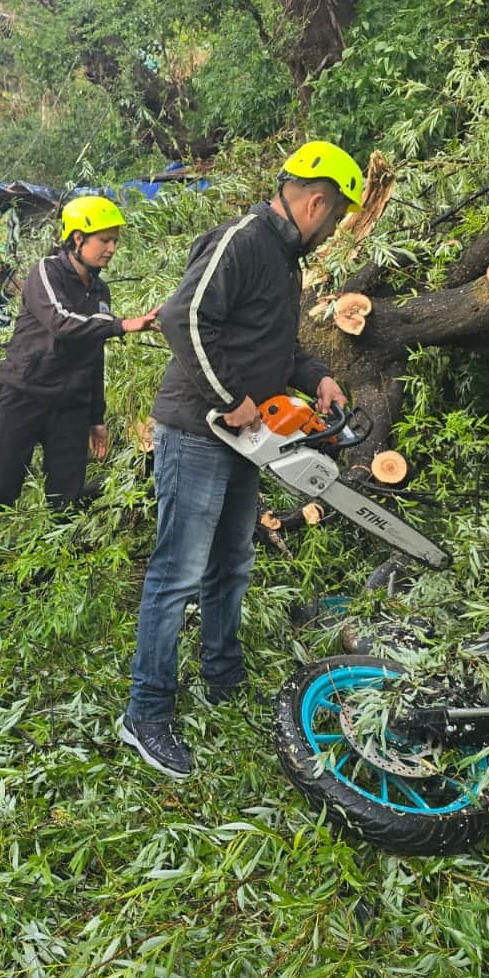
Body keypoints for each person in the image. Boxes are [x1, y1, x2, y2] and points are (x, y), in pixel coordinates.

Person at [120, 142, 362, 778]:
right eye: (334, 217)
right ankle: (146, 712)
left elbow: (268, 341)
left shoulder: (284, 260)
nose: (331, 229)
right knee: (177, 572)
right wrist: (234, 401)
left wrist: (316, 375)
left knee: (232, 560)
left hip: (241, 439)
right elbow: (185, 320)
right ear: (316, 203)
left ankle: (222, 675)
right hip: (199, 430)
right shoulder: (243, 239)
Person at [0, 196, 158, 546]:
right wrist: (123, 324)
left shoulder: (100, 290)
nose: (112, 248)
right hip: (21, 395)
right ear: (78, 239)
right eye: (104, 240)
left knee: (65, 503)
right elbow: (61, 322)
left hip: (70, 406)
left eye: (115, 240)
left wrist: (96, 416)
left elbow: (93, 351)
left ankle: (48, 581)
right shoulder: (46, 272)